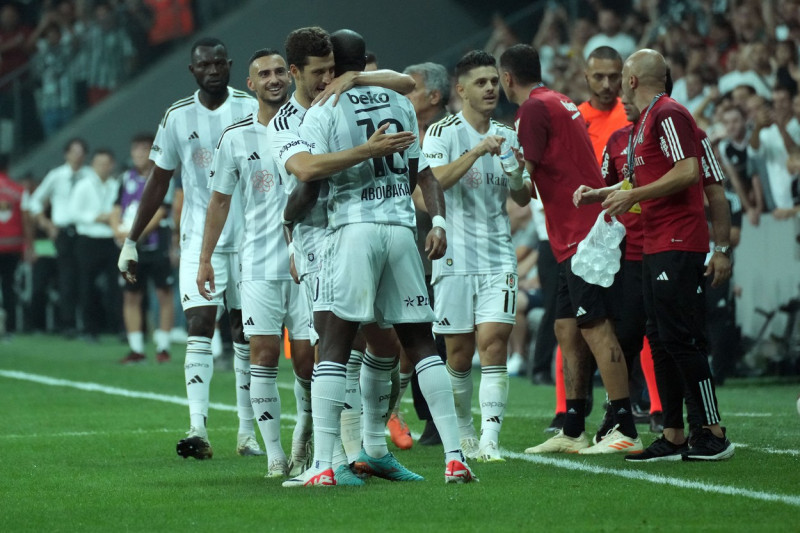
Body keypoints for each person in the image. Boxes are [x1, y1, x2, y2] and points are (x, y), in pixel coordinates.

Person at [283, 28, 475, 486]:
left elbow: (308, 180)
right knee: (421, 344)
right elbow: (423, 173)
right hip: (401, 230)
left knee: (333, 342)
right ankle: (454, 457)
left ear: (335, 67)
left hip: (352, 230)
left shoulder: (322, 108)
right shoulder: (400, 103)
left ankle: (325, 465)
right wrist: (441, 224)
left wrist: (288, 221)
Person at [267, 26, 417, 483]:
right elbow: (306, 170)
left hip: (357, 232)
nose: (326, 80)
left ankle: (368, 448)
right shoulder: (287, 120)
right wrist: (364, 152)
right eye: (318, 73)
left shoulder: (339, 96)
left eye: (332, 70)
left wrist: (356, 79)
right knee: (334, 344)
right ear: (296, 73)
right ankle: (334, 457)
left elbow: (408, 83)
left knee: (383, 343)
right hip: (318, 240)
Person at [118, 37, 262, 460]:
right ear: (192, 70)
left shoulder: (251, 108)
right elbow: (158, 181)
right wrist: (131, 239)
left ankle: (247, 433)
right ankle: (198, 428)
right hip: (202, 240)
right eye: (205, 64)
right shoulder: (178, 117)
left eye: (220, 62)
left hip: (252, 237)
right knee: (199, 323)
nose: (213, 69)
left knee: (246, 334)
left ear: (231, 65)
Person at [498, 43, 641, 455]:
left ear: (508, 78)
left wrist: (508, 168)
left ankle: (624, 425)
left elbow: (523, 193)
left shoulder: (532, 110)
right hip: (570, 237)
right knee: (565, 327)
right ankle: (574, 425)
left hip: (582, 237)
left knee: (595, 326)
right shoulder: (557, 100)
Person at [602, 48, 734, 461]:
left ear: (632, 79)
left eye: (622, 75)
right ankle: (674, 433)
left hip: (678, 244)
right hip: (654, 245)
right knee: (660, 341)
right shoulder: (643, 124)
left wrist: (723, 247)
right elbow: (659, 180)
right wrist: (600, 194)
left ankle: (712, 431)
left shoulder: (669, 114)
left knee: (683, 341)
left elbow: (692, 174)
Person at [423, 49, 531, 461]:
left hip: (497, 255)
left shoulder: (509, 133)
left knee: (494, 345)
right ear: (461, 89)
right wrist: (478, 151)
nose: (490, 88)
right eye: (481, 82)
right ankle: (465, 427)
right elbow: (436, 183)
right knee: (458, 354)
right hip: (453, 257)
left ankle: (490, 439)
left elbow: (521, 195)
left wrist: (517, 171)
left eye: (494, 81)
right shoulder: (442, 133)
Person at [397, 60, 452, 448]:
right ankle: (425, 418)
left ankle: (438, 421)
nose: (404, 94)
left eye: (411, 88)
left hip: (442, 246)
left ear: (434, 95)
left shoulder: (445, 132)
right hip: (416, 247)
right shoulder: (406, 128)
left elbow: (422, 195)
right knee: (415, 334)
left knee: (437, 335)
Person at [111, 133, 174, 364]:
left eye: (144, 148)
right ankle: (136, 349)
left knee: (163, 294)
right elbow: (115, 209)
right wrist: (117, 231)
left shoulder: (162, 176)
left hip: (156, 247)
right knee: (131, 296)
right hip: (131, 248)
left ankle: (163, 347)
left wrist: (133, 235)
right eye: (136, 148)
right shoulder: (123, 179)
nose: (139, 153)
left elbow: (161, 212)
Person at [28, 137, 92, 337]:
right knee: (66, 278)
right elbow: (35, 201)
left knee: (85, 278)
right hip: (62, 231)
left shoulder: (90, 176)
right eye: (74, 151)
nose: (77, 155)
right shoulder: (56, 176)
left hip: (85, 231)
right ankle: (68, 323)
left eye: (81, 152)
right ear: (66, 154)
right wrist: (46, 224)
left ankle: (89, 324)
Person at [70, 149, 121, 340]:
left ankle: (118, 327)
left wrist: (111, 218)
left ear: (112, 165)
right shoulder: (83, 185)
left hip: (110, 239)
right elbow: (73, 212)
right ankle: (90, 328)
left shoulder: (116, 185)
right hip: (88, 239)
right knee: (86, 285)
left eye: (106, 163)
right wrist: (96, 217)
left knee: (116, 285)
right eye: (99, 163)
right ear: (92, 165)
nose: (103, 167)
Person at [0, 158, 29, 335]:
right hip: (13, 247)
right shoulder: (18, 191)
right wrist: (28, 246)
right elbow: (26, 220)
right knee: (9, 287)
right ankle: (10, 327)